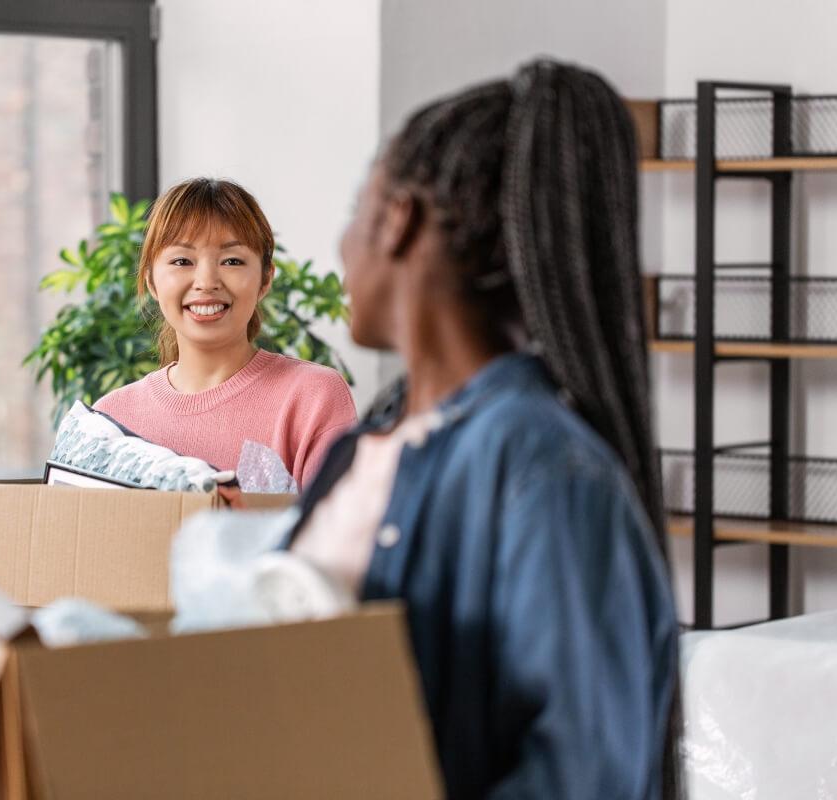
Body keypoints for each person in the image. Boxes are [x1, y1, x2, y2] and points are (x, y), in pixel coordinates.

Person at [287, 61, 681, 798]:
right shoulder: (359, 447)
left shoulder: (546, 467)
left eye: (355, 208)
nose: (341, 247)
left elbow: (584, 776)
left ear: (397, 219)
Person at [93, 178, 357, 490]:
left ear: (264, 279)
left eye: (232, 260)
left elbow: (341, 533)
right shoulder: (109, 421)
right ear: (151, 281)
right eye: (182, 261)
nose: (206, 281)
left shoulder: (313, 398)